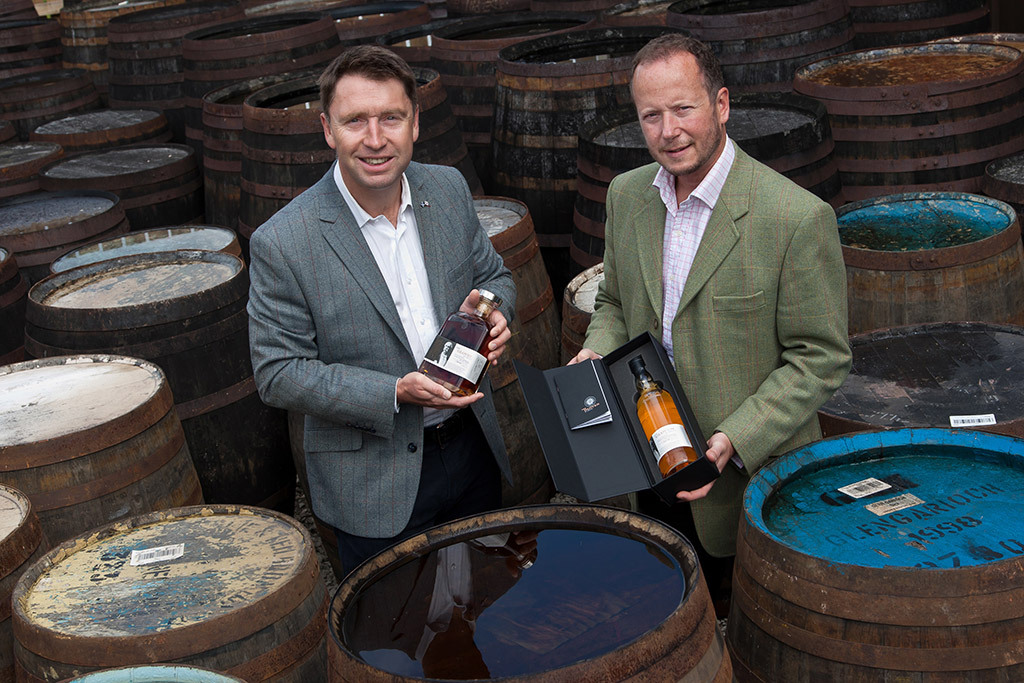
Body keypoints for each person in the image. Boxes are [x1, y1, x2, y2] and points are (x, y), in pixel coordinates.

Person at [570, 34, 851, 605]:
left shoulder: (796, 217)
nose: (668, 131)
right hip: (645, 459)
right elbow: (615, 304)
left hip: (741, 484)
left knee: (737, 625)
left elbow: (820, 357)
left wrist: (733, 439)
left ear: (721, 105)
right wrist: (596, 351)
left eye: (683, 109)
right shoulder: (627, 195)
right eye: (651, 116)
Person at [247, 45, 516, 574]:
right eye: (355, 121)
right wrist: (393, 392)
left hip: (471, 448)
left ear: (414, 123)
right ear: (328, 129)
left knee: (487, 610)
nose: (375, 139)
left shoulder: (448, 188)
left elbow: (494, 277)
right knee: (395, 645)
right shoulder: (284, 241)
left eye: (391, 118)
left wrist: (498, 312)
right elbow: (277, 373)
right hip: (374, 478)